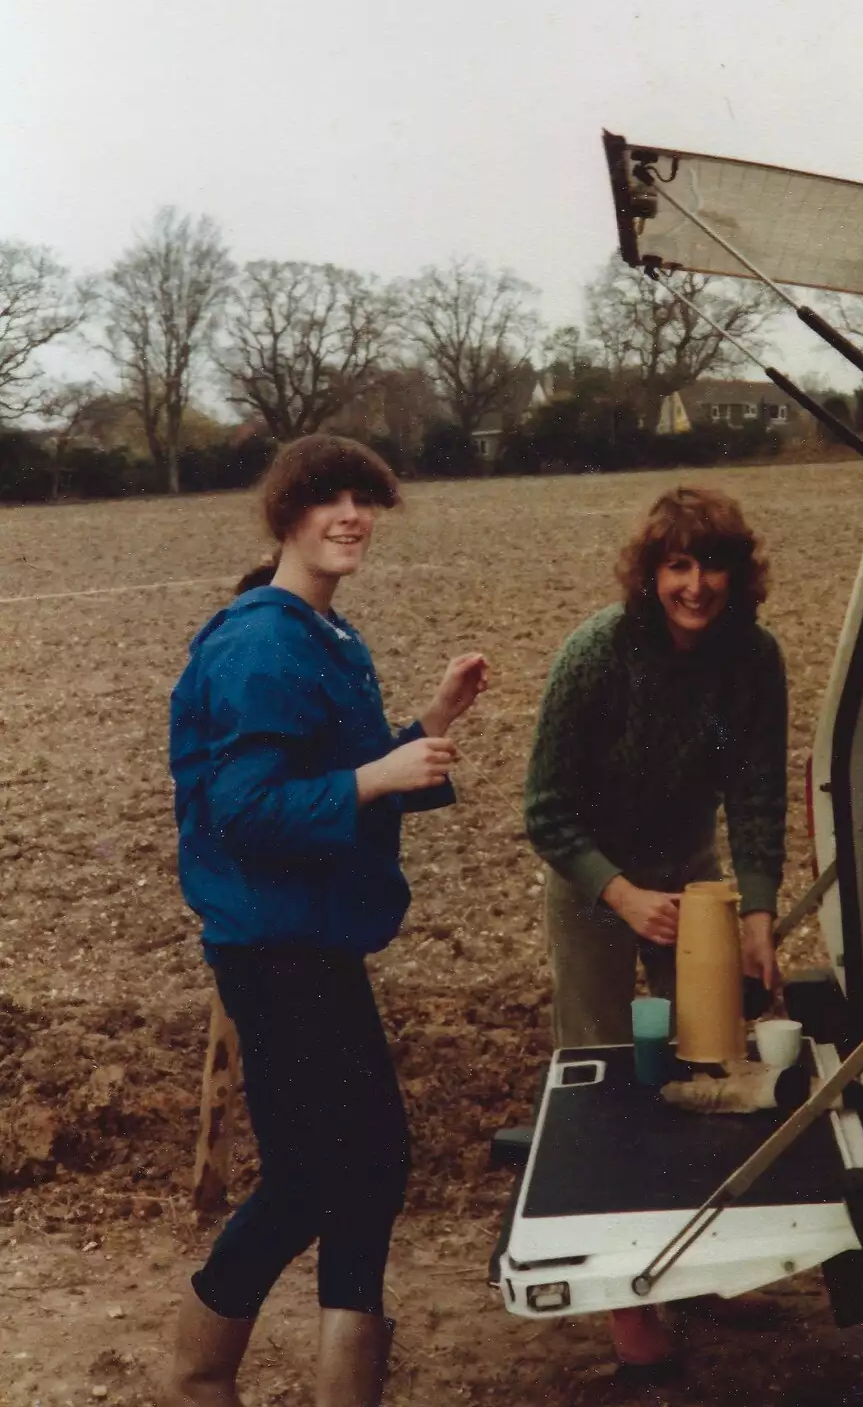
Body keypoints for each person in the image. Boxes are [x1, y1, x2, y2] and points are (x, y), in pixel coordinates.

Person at [166, 435, 487, 1407]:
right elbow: (248, 810)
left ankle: (342, 1392)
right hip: (271, 948)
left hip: (315, 938)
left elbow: (330, 783)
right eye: (327, 500)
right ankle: (194, 1377)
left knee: (370, 1162)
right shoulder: (261, 641)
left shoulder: (323, 635)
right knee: (313, 1175)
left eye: (365, 498)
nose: (351, 515)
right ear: (285, 518)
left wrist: (426, 728)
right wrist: (381, 773)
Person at [524, 485, 788, 1366]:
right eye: (677, 564)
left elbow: (755, 794)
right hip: (595, 878)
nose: (696, 584)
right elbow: (547, 812)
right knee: (601, 1073)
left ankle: (707, 1259)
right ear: (650, 574)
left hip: (690, 871)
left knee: (707, 1057)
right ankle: (624, 1293)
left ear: (736, 574)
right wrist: (623, 895)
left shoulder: (752, 660)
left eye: (712, 563)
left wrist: (754, 912)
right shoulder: (596, 656)